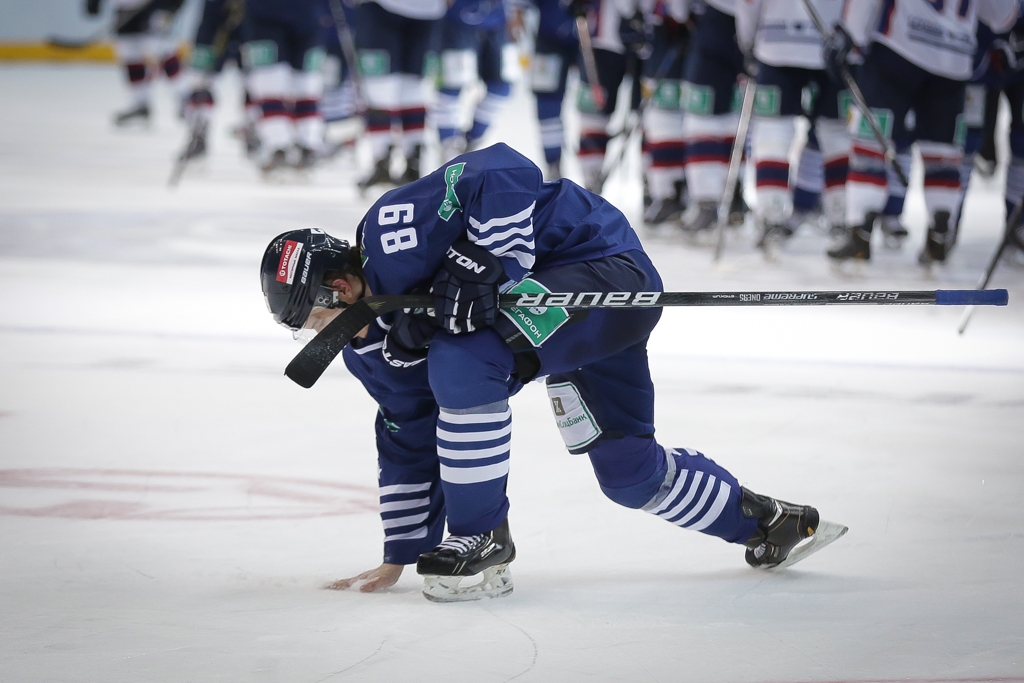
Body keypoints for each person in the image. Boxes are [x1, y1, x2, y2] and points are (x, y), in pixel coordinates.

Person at [259, 143, 847, 602]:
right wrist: (400, 553)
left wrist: (495, 258)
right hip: (567, 337)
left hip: (600, 273)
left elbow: (501, 168)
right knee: (629, 475)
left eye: (311, 318)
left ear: (339, 287)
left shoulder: (391, 232)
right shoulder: (370, 350)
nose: (315, 336)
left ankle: (483, 535)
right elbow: (408, 435)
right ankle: (772, 523)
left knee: (463, 357)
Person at [824, 0, 1019, 266]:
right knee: (942, 150)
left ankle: (860, 228)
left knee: (871, 137)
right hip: (954, 57)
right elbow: (1002, 15)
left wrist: (849, 33)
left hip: (898, 47)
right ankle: (939, 230)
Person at [734, 0, 850, 252]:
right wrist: (854, 36)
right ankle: (841, 216)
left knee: (773, 130)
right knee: (836, 132)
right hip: (833, 42)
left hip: (776, 41)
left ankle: (771, 215)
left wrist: (747, 39)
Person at [435, 0, 515, 163]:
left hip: (498, 20)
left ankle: (471, 140)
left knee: (503, 86)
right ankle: (449, 145)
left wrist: (517, 9)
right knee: (452, 84)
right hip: (458, 19)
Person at [85, 0, 188, 126]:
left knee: (162, 50)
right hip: (123, 7)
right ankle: (140, 105)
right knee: (130, 53)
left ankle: (186, 100)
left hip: (155, 5)